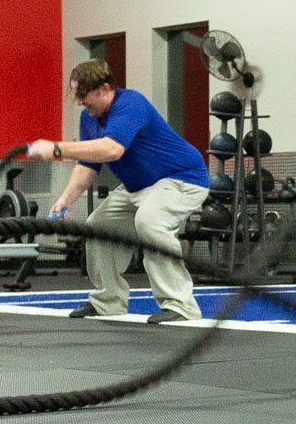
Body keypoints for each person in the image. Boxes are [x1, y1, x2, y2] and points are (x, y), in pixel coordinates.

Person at [27, 60, 209, 323]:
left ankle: (181, 306)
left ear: (103, 89)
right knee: (97, 225)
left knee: (150, 221)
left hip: (182, 179)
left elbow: (112, 149)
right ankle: (108, 302)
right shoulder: (89, 118)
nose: (79, 102)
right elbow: (88, 165)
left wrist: (56, 148)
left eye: (82, 95)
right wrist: (64, 200)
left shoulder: (130, 103)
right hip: (138, 187)